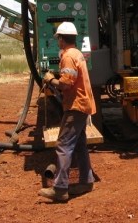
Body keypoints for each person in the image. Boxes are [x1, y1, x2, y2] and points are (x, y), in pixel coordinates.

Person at [38, 21, 97, 202]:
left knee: (63, 146)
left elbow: (66, 84)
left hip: (76, 106)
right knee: (79, 144)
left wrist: (50, 79)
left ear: (61, 39)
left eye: (58, 39)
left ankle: (60, 189)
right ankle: (86, 182)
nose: (58, 42)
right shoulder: (77, 54)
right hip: (84, 104)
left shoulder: (67, 56)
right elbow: (72, 77)